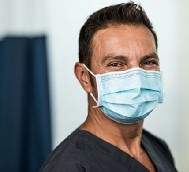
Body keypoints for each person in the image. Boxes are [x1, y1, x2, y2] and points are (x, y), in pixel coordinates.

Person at [40, 2, 177, 172]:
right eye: (116, 64)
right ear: (85, 77)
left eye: (148, 62)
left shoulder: (157, 148)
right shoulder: (69, 166)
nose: (136, 78)